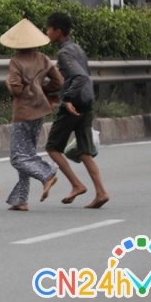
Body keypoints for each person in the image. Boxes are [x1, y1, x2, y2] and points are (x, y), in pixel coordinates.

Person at [44, 12, 110, 209]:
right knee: (83, 150)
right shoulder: (77, 48)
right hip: (87, 101)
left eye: (48, 29)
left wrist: (66, 98)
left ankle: (76, 184)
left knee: (52, 147)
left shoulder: (63, 53)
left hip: (75, 104)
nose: (47, 33)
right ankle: (101, 192)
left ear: (58, 31)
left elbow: (80, 77)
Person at [0, 19, 64, 211]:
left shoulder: (16, 62)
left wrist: (8, 83)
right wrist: (41, 89)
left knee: (18, 158)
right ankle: (21, 199)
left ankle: (47, 173)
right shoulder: (43, 58)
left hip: (23, 112)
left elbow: (17, 90)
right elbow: (58, 82)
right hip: (40, 110)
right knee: (27, 154)